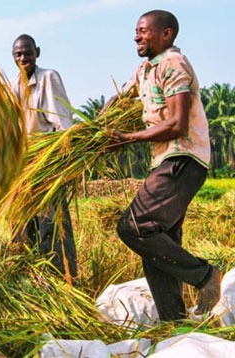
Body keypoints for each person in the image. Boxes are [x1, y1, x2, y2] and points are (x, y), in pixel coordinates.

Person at [110, 10, 220, 321]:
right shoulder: (147, 69)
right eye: (136, 30)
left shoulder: (173, 63)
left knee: (134, 226)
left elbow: (177, 123)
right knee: (158, 242)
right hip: (167, 159)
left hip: (183, 157)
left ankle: (204, 275)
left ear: (166, 34)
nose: (136, 36)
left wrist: (129, 137)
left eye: (143, 31)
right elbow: (122, 96)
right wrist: (93, 128)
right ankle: (174, 322)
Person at [10, 34, 78, 279]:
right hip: (23, 165)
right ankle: (30, 283)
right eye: (18, 54)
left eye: (27, 53)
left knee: (52, 226)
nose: (23, 58)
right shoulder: (13, 85)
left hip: (47, 160)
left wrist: (58, 161)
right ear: (13, 57)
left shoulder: (48, 77)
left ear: (37, 52)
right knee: (23, 227)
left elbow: (62, 123)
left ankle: (62, 282)